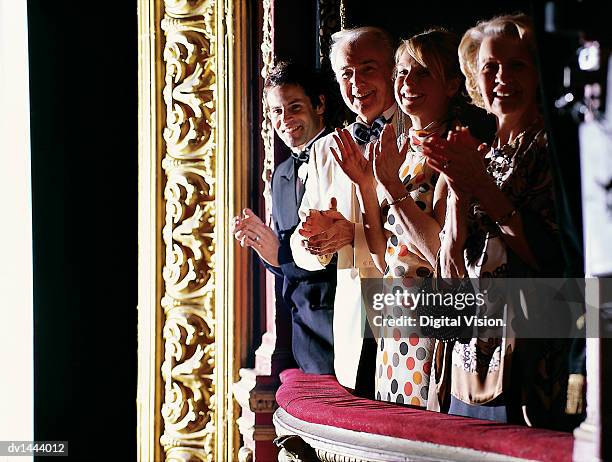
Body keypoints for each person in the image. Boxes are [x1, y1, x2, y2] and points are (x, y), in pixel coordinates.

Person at [422, 14, 570, 429]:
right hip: (467, 357)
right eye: (490, 67)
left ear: (540, 73)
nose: (502, 77)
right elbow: (448, 268)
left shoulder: (552, 151)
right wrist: (456, 188)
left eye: (517, 65)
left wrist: (478, 184)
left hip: (530, 359)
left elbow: (550, 256)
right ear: (475, 78)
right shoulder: (478, 153)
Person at [330, 29, 470, 406]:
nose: (408, 83)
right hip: (394, 324)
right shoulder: (406, 150)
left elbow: (441, 257)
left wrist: (390, 185)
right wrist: (364, 183)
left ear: (453, 84)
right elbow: (383, 258)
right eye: (402, 73)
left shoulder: (454, 150)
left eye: (422, 72)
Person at [289, 27, 397, 393]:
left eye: (368, 68)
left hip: (415, 313)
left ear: (393, 70)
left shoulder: (419, 131)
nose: (357, 83)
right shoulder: (325, 150)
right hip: (354, 327)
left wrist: (354, 234)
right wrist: (317, 240)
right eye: (346, 74)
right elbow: (298, 246)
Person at [231, 61, 336, 374]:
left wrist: (280, 254)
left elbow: (340, 253)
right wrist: (268, 251)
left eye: (294, 107)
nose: (285, 120)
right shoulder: (281, 175)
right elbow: (285, 262)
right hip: (304, 341)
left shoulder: (343, 157)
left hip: (347, 327)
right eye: (276, 111)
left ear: (319, 105)